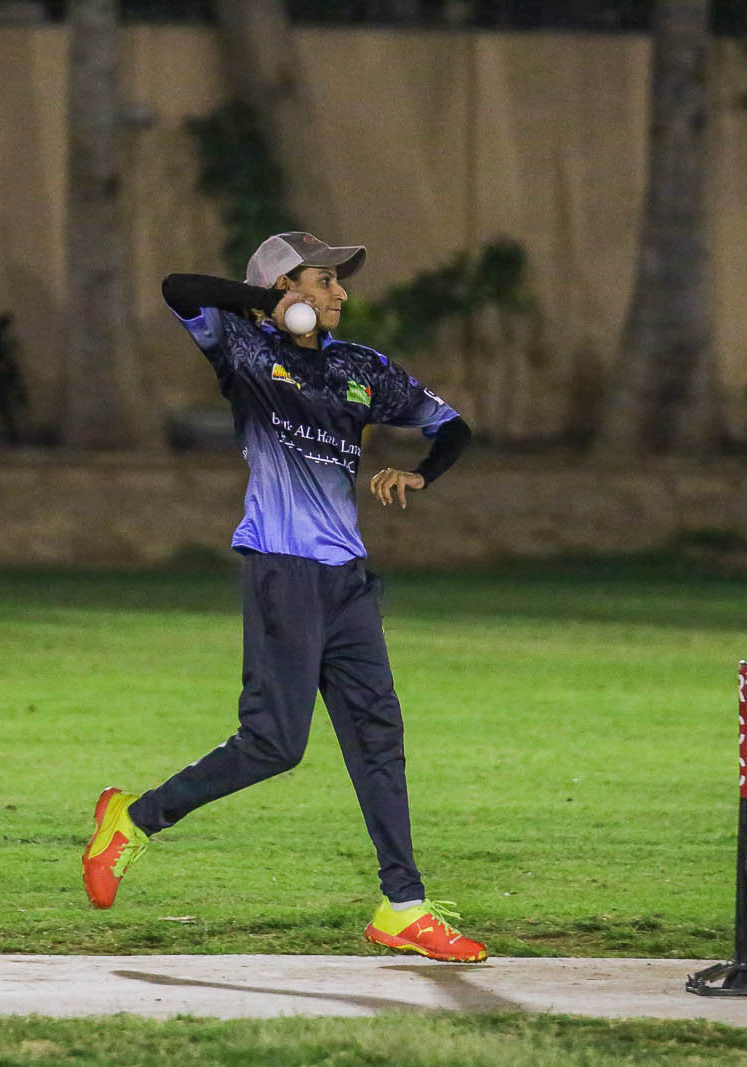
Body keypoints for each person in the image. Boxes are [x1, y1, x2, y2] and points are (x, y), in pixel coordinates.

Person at [82, 231, 483, 963]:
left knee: (379, 738)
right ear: (285, 291)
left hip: (348, 581)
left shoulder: (360, 366)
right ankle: (133, 821)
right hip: (283, 570)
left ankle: (403, 906)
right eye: (324, 281)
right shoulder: (241, 350)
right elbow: (176, 287)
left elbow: (452, 426)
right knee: (273, 744)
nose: (341, 293)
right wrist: (263, 305)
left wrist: (423, 472)